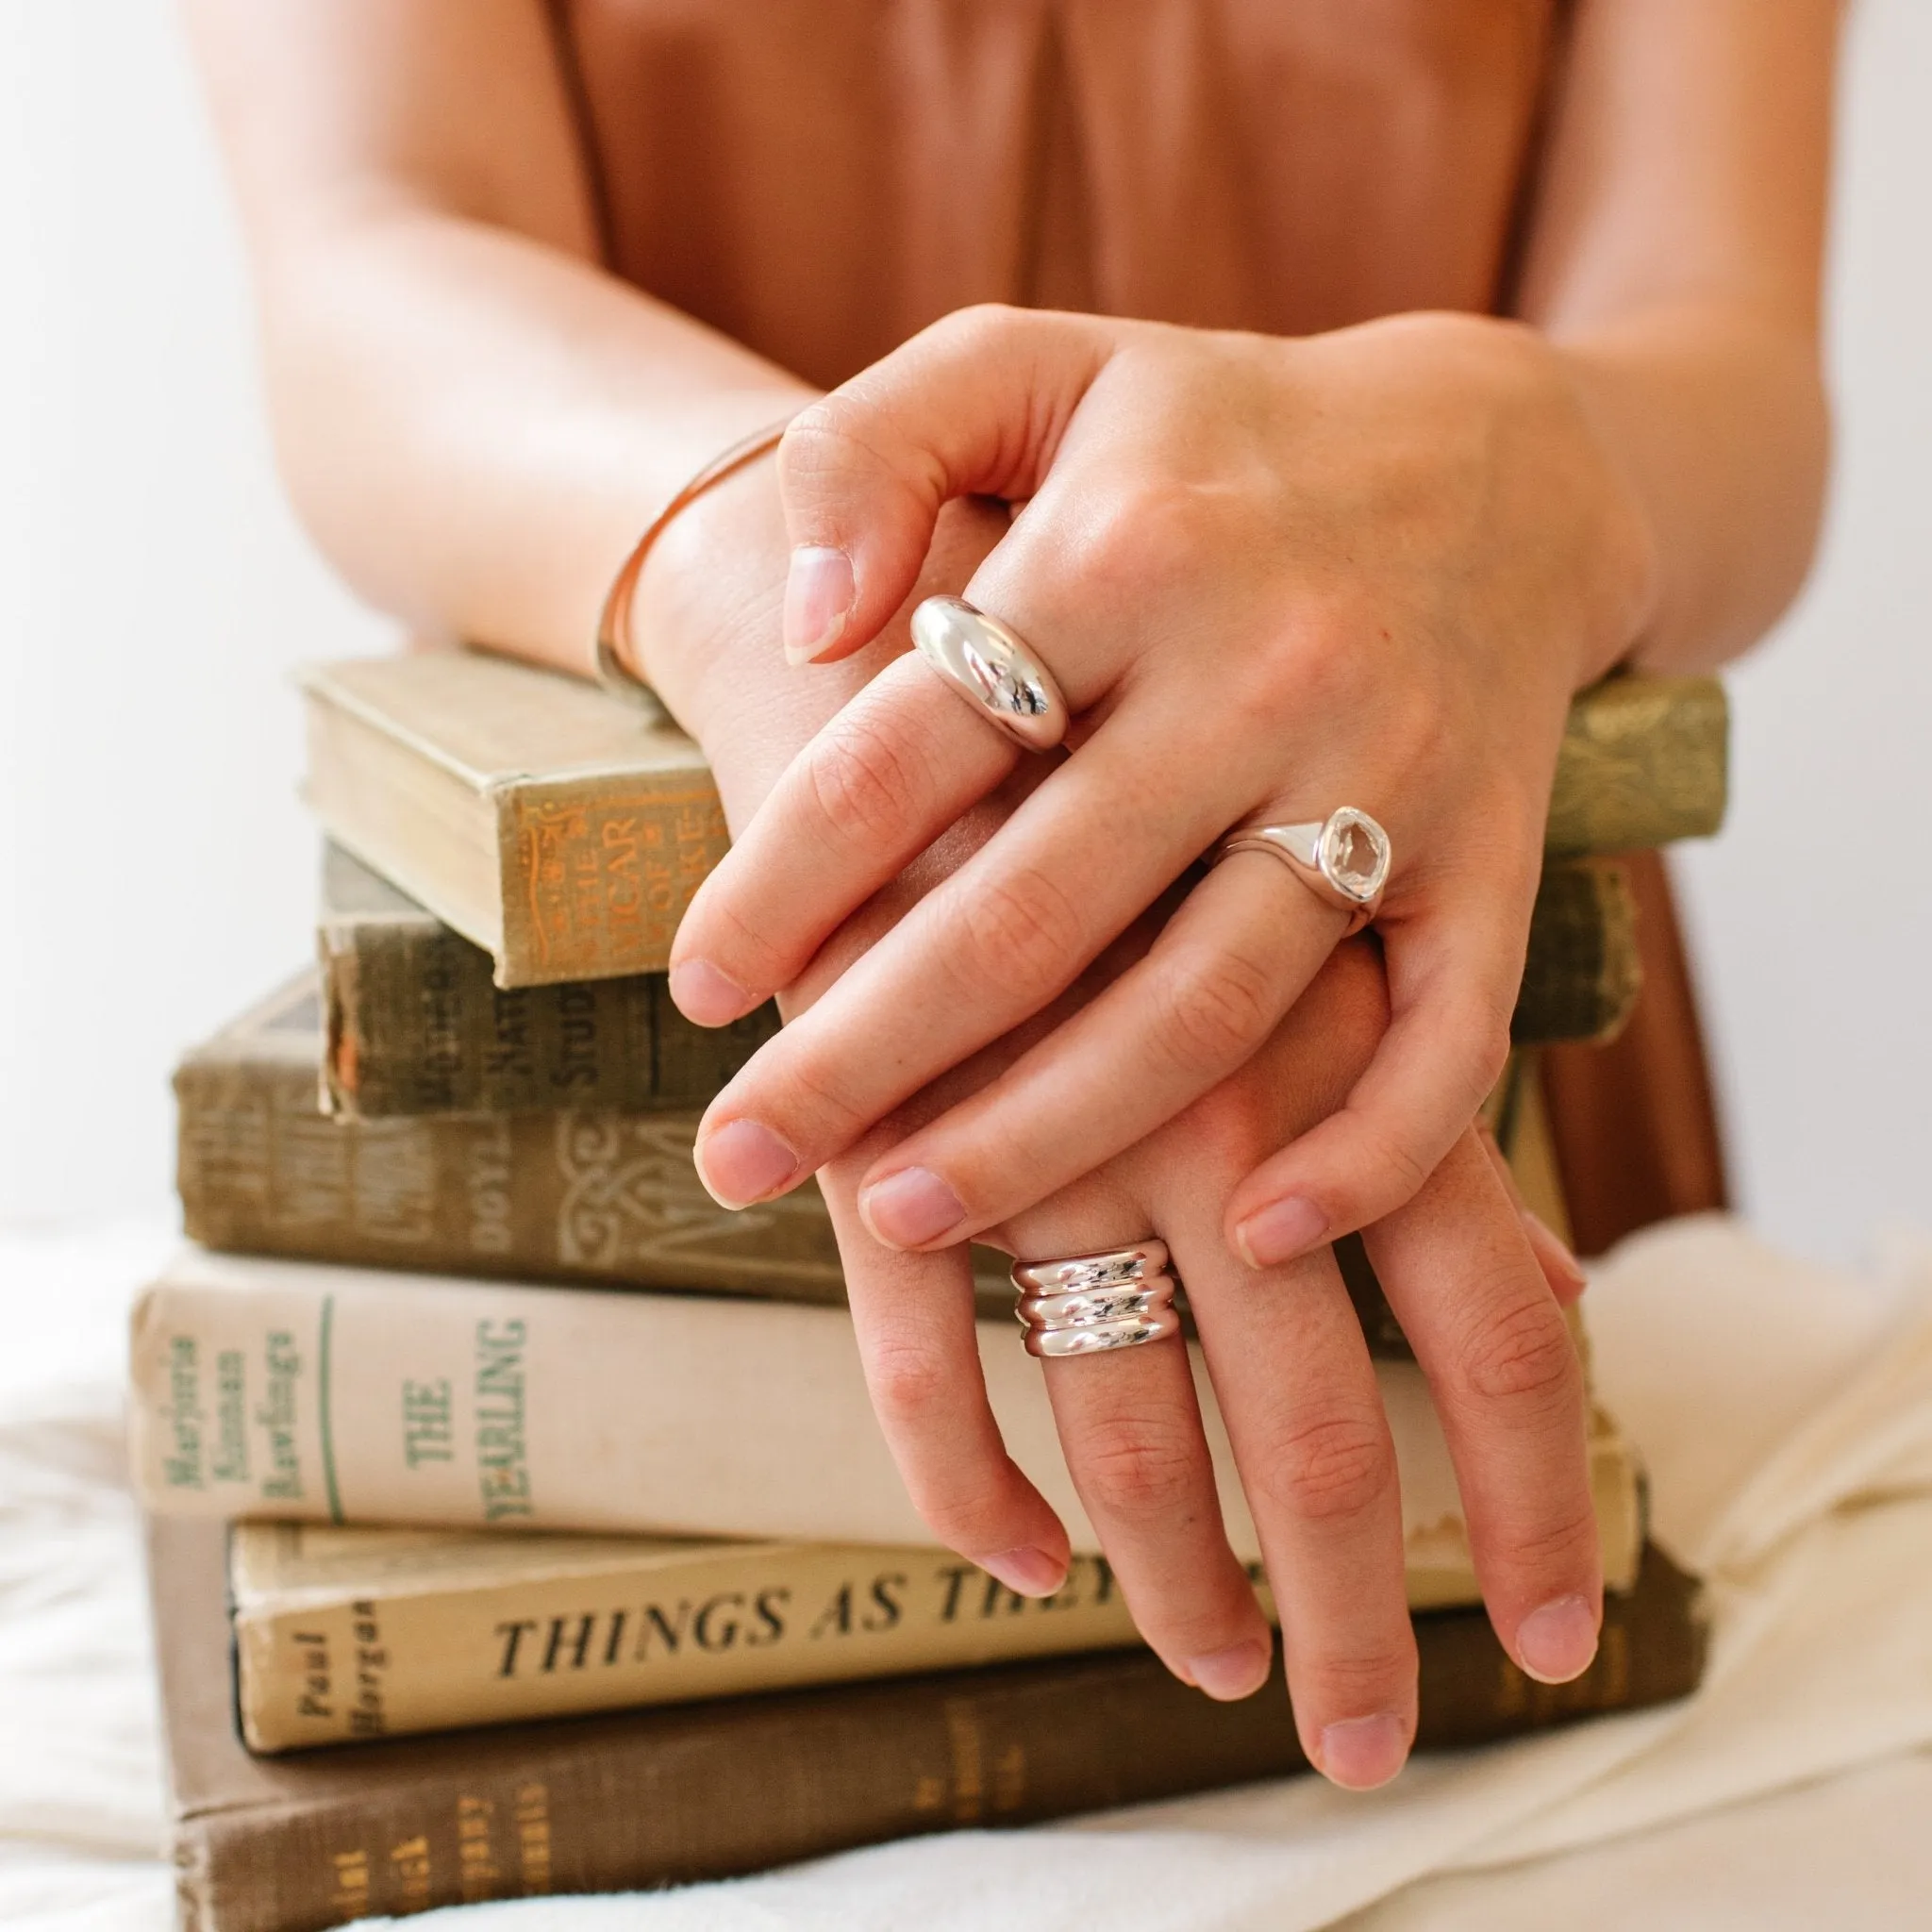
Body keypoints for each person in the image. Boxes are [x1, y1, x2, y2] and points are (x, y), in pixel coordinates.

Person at [185, 0, 1839, 1791]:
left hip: (1441, 1012)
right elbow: (380, 255)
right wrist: (807, 598)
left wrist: (1504, 466)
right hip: (723, 1040)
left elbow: (1730, 366)